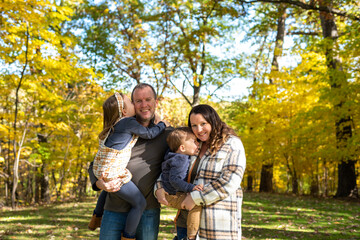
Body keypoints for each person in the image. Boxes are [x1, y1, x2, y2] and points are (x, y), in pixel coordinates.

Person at [88, 83, 172, 240]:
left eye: (148, 99)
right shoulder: (120, 129)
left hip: (148, 211)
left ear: (156, 102)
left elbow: (176, 163)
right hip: (114, 209)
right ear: (132, 104)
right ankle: (96, 217)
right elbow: (96, 163)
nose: (144, 105)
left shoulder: (167, 132)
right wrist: (99, 184)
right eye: (138, 101)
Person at [156, 104, 246, 240]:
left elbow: (230, 181)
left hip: (215, 225)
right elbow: (170, 166)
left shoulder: (232, 144)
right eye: (194, 125)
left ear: (213, 121)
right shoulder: (190, 143)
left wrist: (195, 197)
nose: (199, 130)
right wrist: (159, 187)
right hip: (185, 223)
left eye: (203, 124)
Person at [158, 127, 203, 240]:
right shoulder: (180, 159)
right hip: (172, 194)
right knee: (195, 204)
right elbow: (175, 180)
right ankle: (191, 236)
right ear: (182, 148)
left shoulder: (174, 155)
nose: (198, 144)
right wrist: (191, 188)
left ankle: (183, 234)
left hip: (171, 192)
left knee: (187, 207)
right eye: (194, 141)